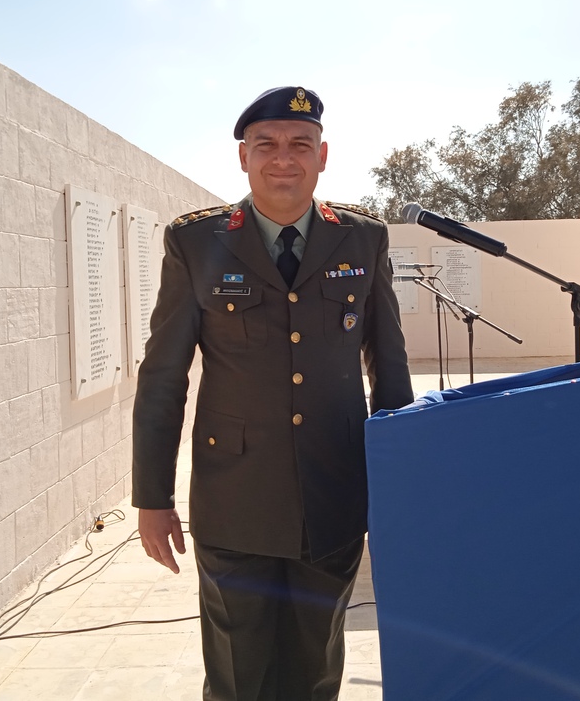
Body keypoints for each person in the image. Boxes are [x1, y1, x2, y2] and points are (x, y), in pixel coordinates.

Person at [132, 85, 413, 700]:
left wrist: (401, 489)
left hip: (334, 491)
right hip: (236, 499)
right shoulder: (197, 242)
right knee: (239, 675)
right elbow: (163, 376)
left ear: (322, 155)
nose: (283, 158)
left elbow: (389, 369)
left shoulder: (363, 239)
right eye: (267, 145)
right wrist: (152, 497)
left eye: (300, 144)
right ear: (244, 157)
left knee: (316, 670)